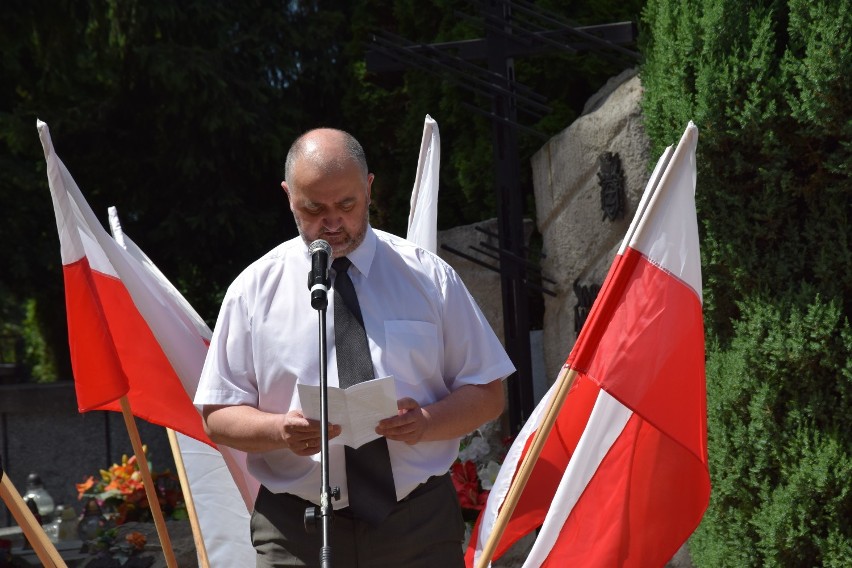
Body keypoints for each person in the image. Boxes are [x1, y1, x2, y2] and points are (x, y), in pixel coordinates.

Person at [195, 128, 515, 567]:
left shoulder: (427, 278)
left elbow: (487, 392)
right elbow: (217, 415)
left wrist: (426, 421)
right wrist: (280, 431)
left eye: (346, 205)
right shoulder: (253, 290)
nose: (331, 222)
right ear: (288, 196)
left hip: (416, 523)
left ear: (368, 189)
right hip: (296, 530)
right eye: (313, 208)